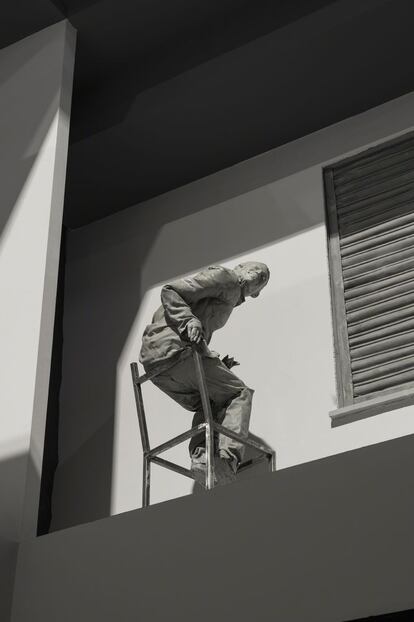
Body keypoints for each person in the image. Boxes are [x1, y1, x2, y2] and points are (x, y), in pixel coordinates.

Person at [139, 261, 270, 485]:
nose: (256, 275)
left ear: (255, 294)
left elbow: (185, 325)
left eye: (262, 278)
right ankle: (226, 461)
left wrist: (217, 363)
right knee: (240, 394)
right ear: (240, 267)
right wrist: (188, 321)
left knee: (209, 401)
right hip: (176, 351)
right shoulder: (226, 278)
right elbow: (170, 290)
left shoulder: (228, 295)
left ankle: (202, 459)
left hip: (158, 362)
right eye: (254, 270)